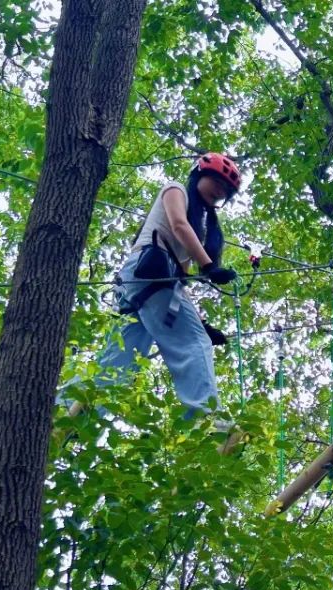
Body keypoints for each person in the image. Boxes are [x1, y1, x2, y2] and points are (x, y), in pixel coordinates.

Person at [69, 152, 241, 416]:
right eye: (217, 182)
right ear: (199, 174)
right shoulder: (176, 190)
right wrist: (208, 266)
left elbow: (180, 285)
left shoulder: (199, 227)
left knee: (119, 362)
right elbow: (179, 225)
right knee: (194, 343)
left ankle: (71, 412)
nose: (220, 191)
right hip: (149, 271)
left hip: (145, 283)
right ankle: (207, 420)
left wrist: (202, 324)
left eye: (226, 191)